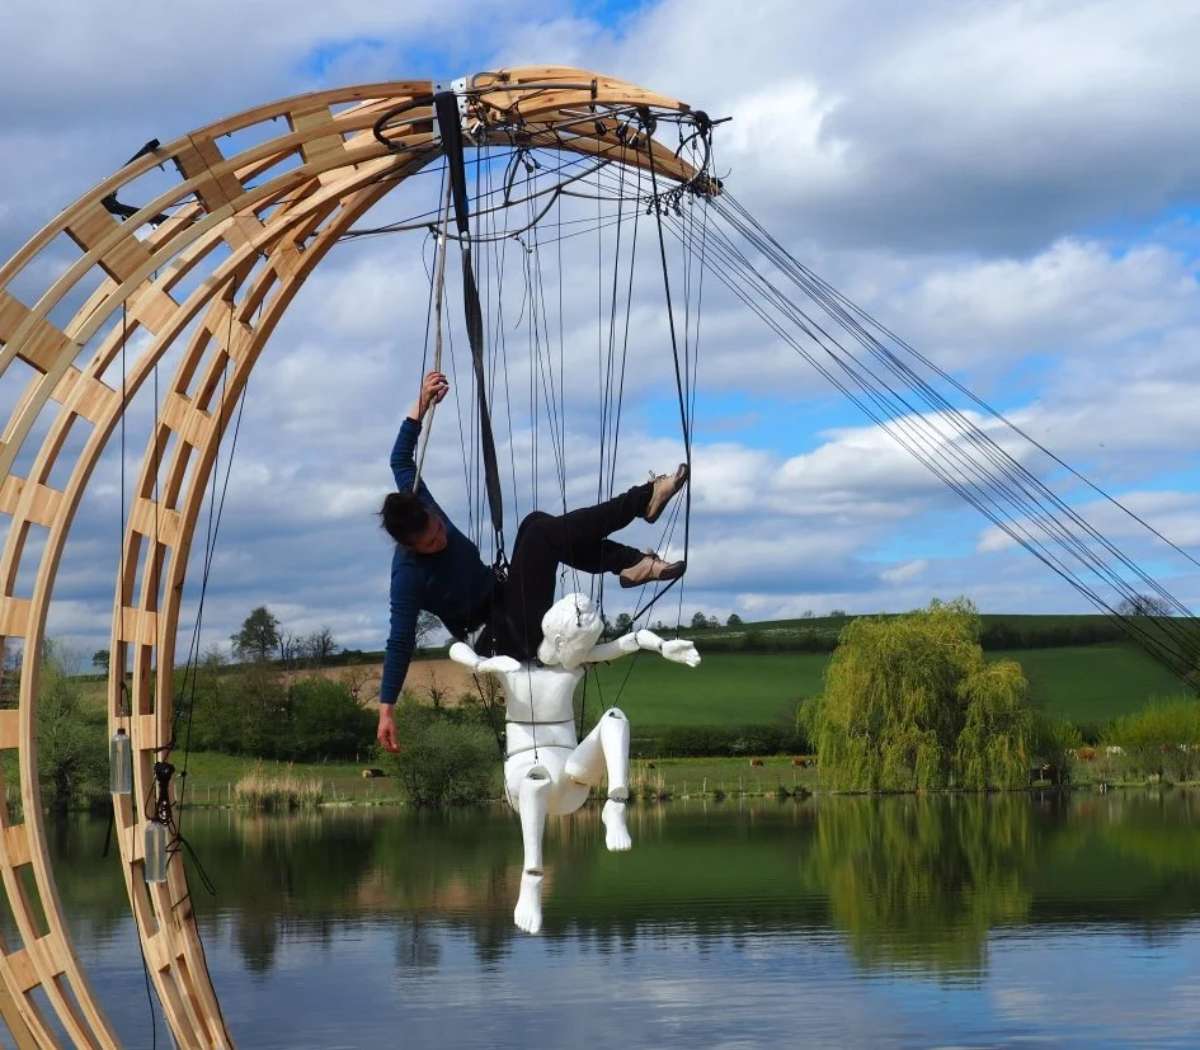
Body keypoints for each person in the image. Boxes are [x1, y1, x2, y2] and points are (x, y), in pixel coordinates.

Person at [376, 370, 690, 752]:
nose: (441, 537)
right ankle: (642, 501)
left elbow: (399, 458)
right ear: (410, 546)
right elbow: (399, 641)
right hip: (499, 639)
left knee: (536, 524)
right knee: (542, 535)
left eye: (439, 527)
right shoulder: (407, 577)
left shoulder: (418, 501)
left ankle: (632, 564)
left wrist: (422, 403)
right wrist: (386, 709)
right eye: (431, 542)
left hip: (505, 599)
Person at [449, 592, 700, 934]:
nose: (586, 655)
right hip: (524, 783)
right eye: (581, 647)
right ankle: (532, 878)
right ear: (559, 640)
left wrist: (662, 646)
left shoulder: (573, 661)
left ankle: (615, 804)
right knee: (536, 777)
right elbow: (455, 646)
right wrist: (482, 664)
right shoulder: (512, 666)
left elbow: (633, 640)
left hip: (571, 780)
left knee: (614, 717)